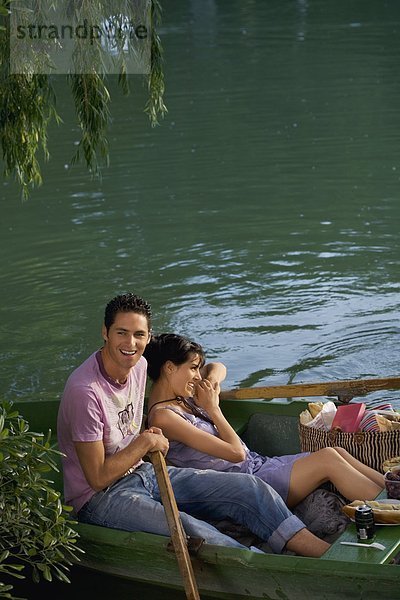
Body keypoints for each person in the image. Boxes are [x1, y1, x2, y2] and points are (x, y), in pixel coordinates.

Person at [57, 293, 330, 557]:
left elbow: (127, 423)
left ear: (148, 338)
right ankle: (268, 573)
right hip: (100, 498)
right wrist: (145, 442)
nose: (130, 343)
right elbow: (97, 477)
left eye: (139, 335)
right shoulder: (86, 391)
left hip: (143, 472)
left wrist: (144, 438)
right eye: (121, 332)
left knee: (250, 488)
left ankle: (324, 555)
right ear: (105, 332)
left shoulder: (139, 366)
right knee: (196, 532)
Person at [144, 333, 384, 509]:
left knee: (335, 450)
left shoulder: (184, 396)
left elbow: (218, 367)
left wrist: (212, 382)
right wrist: (213, 409)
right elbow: (236, 454)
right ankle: (390, 511)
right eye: (193, 369)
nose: (198, 377)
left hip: (260, 465)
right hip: (250, 486)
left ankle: (391, 491)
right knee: (328, 460)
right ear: (169, 368)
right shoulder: (165, 417)